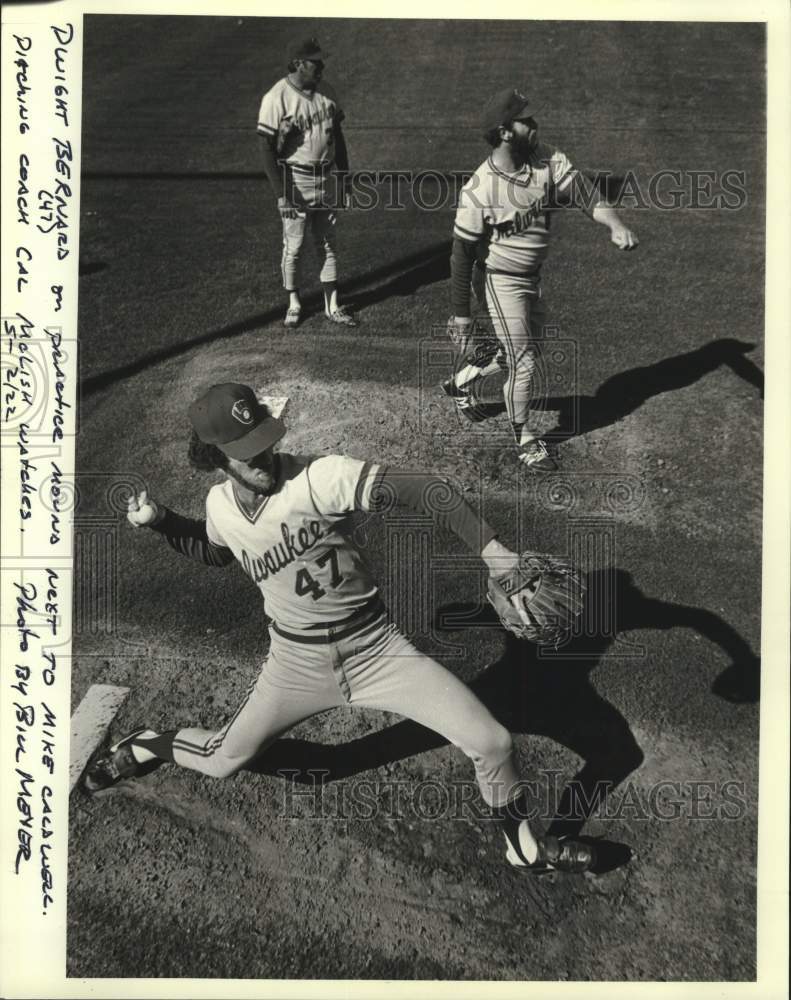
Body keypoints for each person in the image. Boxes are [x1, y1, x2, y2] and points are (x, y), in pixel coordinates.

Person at [85, 381, 595, 876]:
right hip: (296, 664)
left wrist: (494, 552)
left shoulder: (320, 477)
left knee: (493, 742)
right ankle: (145, 743)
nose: (264, 459)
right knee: (223, 759)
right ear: (215, 458)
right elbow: (217, 550)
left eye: (265, 442)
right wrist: (162, 522)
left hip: (377, 651)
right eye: (246, 453)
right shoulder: (219, 507)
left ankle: (525, 849)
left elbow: (428, 489)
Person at [446, 87, 638, 471]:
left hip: (532, 278)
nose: (534, 125)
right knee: (524, 361)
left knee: (518, 353)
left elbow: (583, 193)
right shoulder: (479, 190)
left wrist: (614, 224)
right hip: (498, 282)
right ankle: (525, 440)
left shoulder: (545, 157)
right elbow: (461, 255)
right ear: (504, 132)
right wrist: (462, 316)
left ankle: (461, 383)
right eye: (525, 120)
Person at [257, 37, 357, 328]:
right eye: (315, 61)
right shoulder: (276, 98)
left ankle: (333, 304)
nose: (321, 65)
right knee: (295, 245)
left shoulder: (328, 92)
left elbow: (338, 138)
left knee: (328, 243)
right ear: (298, 63)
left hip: (326, 178)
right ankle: (294, 302)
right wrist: (281, 195)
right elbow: (265, 148)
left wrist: (345, 180)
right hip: (295, 181)